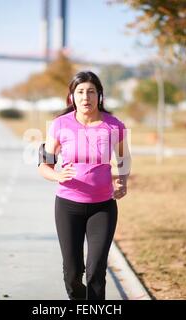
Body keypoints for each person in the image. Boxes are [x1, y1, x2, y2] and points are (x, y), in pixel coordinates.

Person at [38, 71, 131, 300]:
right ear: (72, 97)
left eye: (91, 91)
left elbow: (124, 158)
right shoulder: (60, 125)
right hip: (68, 206)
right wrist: (57, 175)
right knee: (72, 273)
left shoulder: (113, 125)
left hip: (103, 207)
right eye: (80, 92)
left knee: (96, 272)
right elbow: (44, 166)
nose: (85, 97)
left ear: (99, 95)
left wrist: (122, 181)